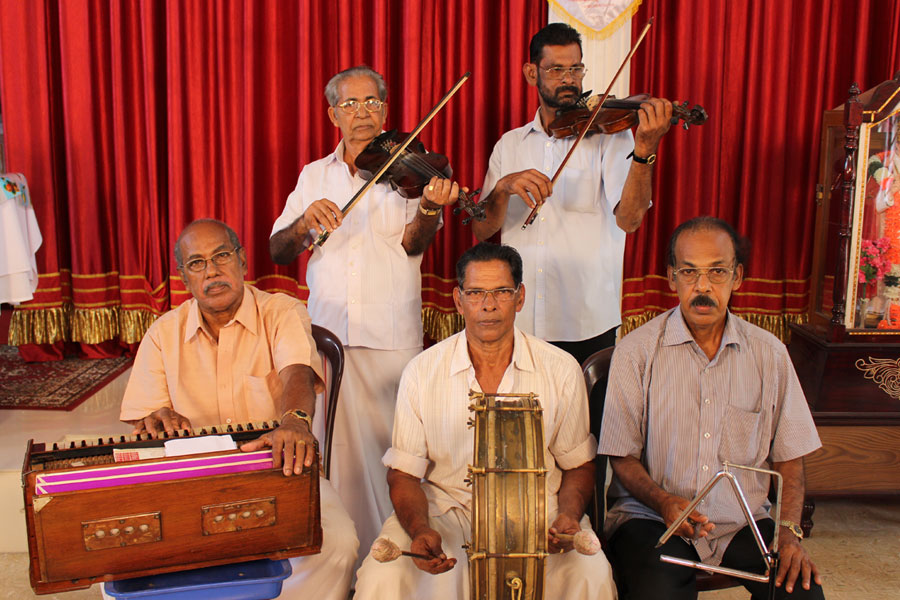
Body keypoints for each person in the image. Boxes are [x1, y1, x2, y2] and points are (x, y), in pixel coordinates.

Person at [269, 65, 462, 565]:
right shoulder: (314, 175)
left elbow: (413, 247)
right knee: (337, 457)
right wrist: (304, 224)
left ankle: (398, 554)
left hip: (390, 337)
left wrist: (431, 211)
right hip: (329, 336)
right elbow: (278, 249)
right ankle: (342, 556)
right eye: (351, 104)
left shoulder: (407, 171)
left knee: (395, 455)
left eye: (372, 102)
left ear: (385, 110)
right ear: (333, 114)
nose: (363, 113)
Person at [354, 242, 616, 599]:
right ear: (458, 300)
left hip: (540, 517)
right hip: (448, 511)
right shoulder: (422, 372)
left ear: (520, 297)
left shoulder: (560, 369)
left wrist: (568, 516)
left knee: (592, 574)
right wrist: (419, 529)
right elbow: (403, 473)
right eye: (476, 293)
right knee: (380, 579)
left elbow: (579, 465)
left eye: (501, 293)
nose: (488, 305)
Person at [118, 219, 358, 600]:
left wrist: (295, 421)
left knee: (339, 545)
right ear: (183, 278)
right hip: (189, 484)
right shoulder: (163, 334)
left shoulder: (281, 311)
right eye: (197, 263)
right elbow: (148, 415)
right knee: (115, 567)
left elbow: (296, 372)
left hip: (280, 470)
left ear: (243, 261)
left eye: (222, 256)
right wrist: (156, 422)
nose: (212, 271)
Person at [599, 216, 826, 599]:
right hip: (652, 517)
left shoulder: (769, 354)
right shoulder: (636, 352)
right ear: (672, 278)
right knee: (658, 591)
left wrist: (788, 533)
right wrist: (665, 501)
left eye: (717, 272)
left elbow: (790, 457)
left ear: (737, 276)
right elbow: (622, 457)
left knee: (802, 592)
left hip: (743, 522)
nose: (702, 286)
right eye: (689, 272)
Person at [473, 22, 673, 365]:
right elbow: (482, 229)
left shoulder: (610, 136)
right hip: (519, 319)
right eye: (556, 69)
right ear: (531, 72)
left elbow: (630, 219)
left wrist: (645, 148)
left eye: (575, 68)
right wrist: (504, 187)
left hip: (586, 320)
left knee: (585, 420)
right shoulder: (510, 144)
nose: (569, 79)